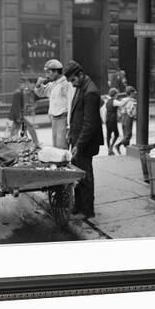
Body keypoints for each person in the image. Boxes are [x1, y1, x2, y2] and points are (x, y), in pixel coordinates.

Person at [64, 60, 104, 218]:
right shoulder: (81, 86)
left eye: (73, 80)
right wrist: (70, 132)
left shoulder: (90, 92)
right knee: (77, 174)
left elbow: (89, 124)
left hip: (85, 143)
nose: (72, 84)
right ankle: (78, 206)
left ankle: (88, 210)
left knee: (85, 176)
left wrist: (78, 145)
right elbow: (77, 115)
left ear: (80, 74)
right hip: (78, 139)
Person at [34, 59, 74, 149]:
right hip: (54, 118)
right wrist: (38, 85)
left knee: (61, 147)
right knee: (56, 147)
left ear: (56, 72)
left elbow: (70, 104)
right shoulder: (53, 84)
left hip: (63, 118)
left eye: (48, 72)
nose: (46, 75)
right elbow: (42, 93)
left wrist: (69, 125)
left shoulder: (66, 84)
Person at [8, 78, 38, 143]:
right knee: (19, 129)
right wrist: (18, 116)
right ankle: (35, 142)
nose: (25, 86)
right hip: (18, 115)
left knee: (19, 129)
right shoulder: (18, 93)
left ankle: (14, 141)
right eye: (24, 84)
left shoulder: (22, 92)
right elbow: (16, 106)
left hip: (21, 114)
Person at [115, 86, 137, 155]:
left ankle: (127, 150)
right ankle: (118, 145)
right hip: (128, 117)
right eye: (134, 93)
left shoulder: (123, 100)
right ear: (131, 93)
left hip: (123, 117)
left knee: (125, 134)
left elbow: (119, 108)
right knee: (128, 134)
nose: (135, 94)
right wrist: (133, 115)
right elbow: (131, 111)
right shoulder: (131, 101)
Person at [105, 88, 123, 155]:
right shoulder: (114, 101)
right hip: (113, 119)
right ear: (115, 94)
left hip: (107, 118)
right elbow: (121, 104)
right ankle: (111, 147)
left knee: (108, 134)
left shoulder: (107, 101)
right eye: (117, 94)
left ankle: (109, 149)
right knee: (116, 134)